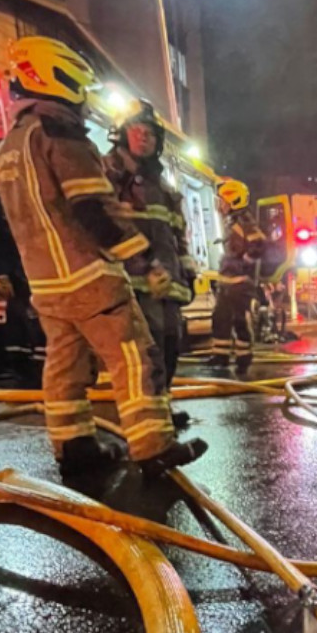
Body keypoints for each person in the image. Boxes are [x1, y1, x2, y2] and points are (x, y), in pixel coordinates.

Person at [0, 36, 207, 476]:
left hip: (46, 283)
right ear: (55, 78)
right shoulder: (61, 136)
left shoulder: (9, 145)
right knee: (136, 356)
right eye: (78, 85)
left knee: (65, 365)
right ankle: (153, 447)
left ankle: (75, 447)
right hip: (87, 275)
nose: (83, 99)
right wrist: (142, 262)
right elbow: (94, 209)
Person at [102, 99, 195, 431]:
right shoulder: (110, 174)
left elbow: (176, 232)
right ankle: (146, 417)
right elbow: (106, 227)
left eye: (151, 134)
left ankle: (161, 406)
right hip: (133, 283)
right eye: (137, 131)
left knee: (170, 344)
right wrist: (143, 266)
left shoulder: (161, 186)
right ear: (122, 133)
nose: (144, 138)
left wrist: (187, 271)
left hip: (166, 283)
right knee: (145, 351)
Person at [0, 159, 45, 381]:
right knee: (18, 312)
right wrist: (2, 275)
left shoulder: (23, 201)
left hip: (30, 265)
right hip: (10, 269)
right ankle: (21, 363)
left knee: (34, 312)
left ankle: (37, 360)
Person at [208, 178, 267, 374]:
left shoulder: (244, 221)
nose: (220, 205)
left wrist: (246, 262)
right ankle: (221, 356)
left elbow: (259, 242)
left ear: (234, 200)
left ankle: (243, 358)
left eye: (223, 201)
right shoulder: (232, 222)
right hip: (228, 283)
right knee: (220, 318)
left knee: (240, 321)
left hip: (240, 283)